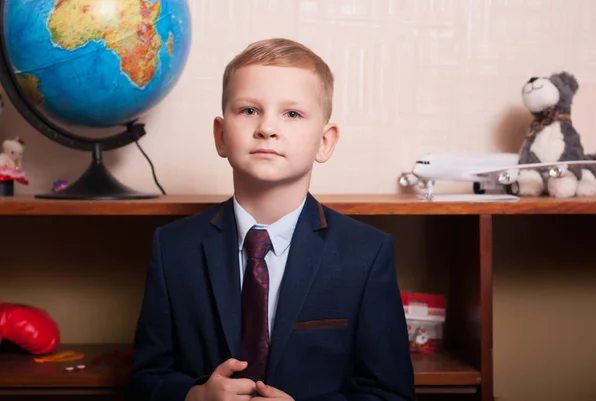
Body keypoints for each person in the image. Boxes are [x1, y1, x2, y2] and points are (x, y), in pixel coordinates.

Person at [125, 38, 414, 401]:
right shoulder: (173, 247)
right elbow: (145, 379)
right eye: (248, 110)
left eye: (291, 114)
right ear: (220, 135)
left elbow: (392, 394)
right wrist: (194, 396)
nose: (266, 128)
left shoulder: (367, 253)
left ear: (325, 142)